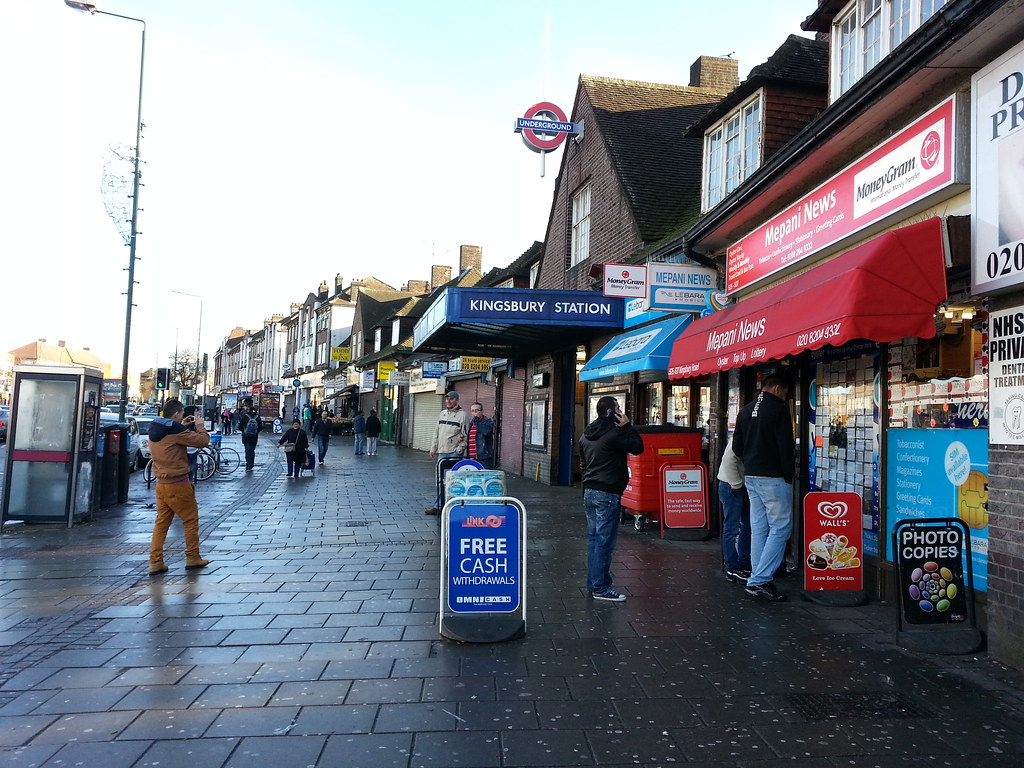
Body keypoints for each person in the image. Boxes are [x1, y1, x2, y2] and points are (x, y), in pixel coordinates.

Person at [731, 374, 795, 603]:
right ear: (777, 388)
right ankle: (760, 579)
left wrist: (751, 460)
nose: (784, 396)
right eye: (784, 392)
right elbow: (786, 446)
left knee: (759, 527)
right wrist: (788, 475)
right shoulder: (778, 409)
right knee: (781, 527)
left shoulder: (746, 410)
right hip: (774, 476)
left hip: (751, 475)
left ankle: (758, 576)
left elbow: (736, 446)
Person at [578, 396, 644, 601]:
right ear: (610, 412)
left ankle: (594, 584)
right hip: (607, 493)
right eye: (618, 408)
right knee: (604, 542)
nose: (621, 411)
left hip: (589, 491)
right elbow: (638, 447)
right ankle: (601, 588)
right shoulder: (614, 434)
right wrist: (627, 426)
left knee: (594, 540)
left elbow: (583, 466)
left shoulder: (585, 435)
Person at [147, 398, 211, 574]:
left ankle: (155, 561)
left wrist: (181, 426)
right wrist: (200, 425)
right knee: (190, 520)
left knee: (161, 523)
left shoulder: (156, 429)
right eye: (181, 414)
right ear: (176, 414)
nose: (183, 416)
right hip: (178, 483)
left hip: (161, 484)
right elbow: (202, 441)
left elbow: (171, 440)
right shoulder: (175, 432)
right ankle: (192, 556)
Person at [424, 391, 470, 515]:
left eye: (451, 399)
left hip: (454, 453)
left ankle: (452, 505)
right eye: (447, 399)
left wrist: (459, 450)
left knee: (453, 480)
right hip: (442, 452)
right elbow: (437, 432)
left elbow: (465, 435)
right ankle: (438, 506)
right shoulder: (442, 413)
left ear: (457, 400)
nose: (448, 401)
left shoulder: (463, 415)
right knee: (440, 480)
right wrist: (433, 448)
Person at [717, 434, 752, 583]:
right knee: (732, 527)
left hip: (743, 485)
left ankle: (744, 563)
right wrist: (736, 484)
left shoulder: (749, 434)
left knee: (747, 525)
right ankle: (731, 567)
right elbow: (728, 460)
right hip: (731, 485)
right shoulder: (740, 437)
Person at [468, 402, 495, 469]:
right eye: (472, 411)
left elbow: (486, 432)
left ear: (482, 411)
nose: (475, 413)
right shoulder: (472, 423)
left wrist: (477, 422)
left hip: (484, 458)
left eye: (477, 410)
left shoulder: (488, 422)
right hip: (472, 457)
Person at [238, 405, 262, 471]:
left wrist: (244, 431)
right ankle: (251, 464)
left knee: (247, 450)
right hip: (254, 437)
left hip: (246, 437)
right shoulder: (257, 417)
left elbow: (240, 427)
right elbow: (260, 427)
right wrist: (255, 432)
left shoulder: (245, 416)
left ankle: (248, 464)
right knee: (252, 450)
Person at [183, 404, 201, 483]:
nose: (198, 413)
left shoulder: (196, 424)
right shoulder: (184, 424)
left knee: (191, 472)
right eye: (196, 411)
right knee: (185, 473)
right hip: (184, 451)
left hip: (193, 451)